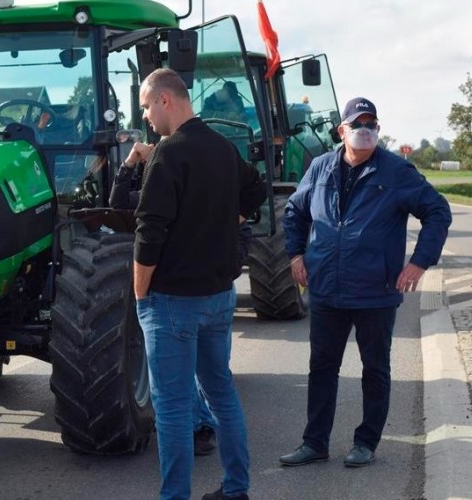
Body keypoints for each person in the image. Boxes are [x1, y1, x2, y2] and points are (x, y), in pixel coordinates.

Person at [279, 97, 451, 469]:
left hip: (375, 291)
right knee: (322, 368)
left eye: (372, 125)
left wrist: (419, 263)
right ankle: (315, 443)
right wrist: (295, 255)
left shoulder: (396, 171)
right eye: (358, 124)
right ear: (341, 131)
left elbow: (437, 211)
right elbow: (294, 210)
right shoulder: (321, 168)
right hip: (326, 288)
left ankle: (366, 442)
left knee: (375, 368)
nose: (365, 131)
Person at [133, 68, 266, 500]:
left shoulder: (168, 155)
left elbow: (149, 232)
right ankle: (236, 489)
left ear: (165, 99)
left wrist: (140, 296)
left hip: (172, 301)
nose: (147, 117)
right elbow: (256, 190)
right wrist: (228, 224)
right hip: (219, 296)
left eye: (146, 107)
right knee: (221, 392)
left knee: (171, 408)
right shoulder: (223, 148)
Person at [110, 139, 253, 458]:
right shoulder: (153, 200)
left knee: (211, 371)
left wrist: (219, 269)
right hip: (171, 295)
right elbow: (118, 200)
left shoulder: (211, 200)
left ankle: (206, 428)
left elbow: (241, 236)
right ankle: (196, 428)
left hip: (212, 292)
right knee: (181, 369)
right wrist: (130, 161)